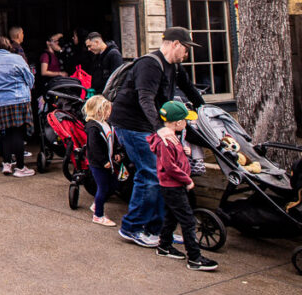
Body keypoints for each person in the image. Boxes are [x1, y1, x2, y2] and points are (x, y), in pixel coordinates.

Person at [109, 27, 205, 248]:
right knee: (150, 172)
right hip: (132, 125)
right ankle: (131, 227)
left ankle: (159, 231)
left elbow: (190, 90)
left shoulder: (175, 68)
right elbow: (145, 98)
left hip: (150, 125)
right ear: (175, 44)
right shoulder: (150, 64)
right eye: (186, 49)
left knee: (163, 175)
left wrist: (206, 111)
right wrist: (159, 128)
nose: (187, 54)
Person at [148, 101, 218, 271]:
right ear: (177, 123)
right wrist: (187, 180)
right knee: (187, 221)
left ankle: (164, 246)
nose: (187, 124)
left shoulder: (173, 138)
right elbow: (170, 166)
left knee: (172, 216)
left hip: (172, 184)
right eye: (185, 121)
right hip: (173, 185)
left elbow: (173, 158)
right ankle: (194, 258)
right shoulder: (166, 142)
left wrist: (184, 152)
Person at [0, 35, 35, 176]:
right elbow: (29, 78)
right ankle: (20, 167)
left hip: (1, 101)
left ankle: (7, 164)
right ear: (8, 46)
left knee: (6, 133)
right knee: (18, 133)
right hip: (18, 99)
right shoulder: (17, 59)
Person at [84, 95, 118, 226]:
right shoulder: (93, 127)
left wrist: (116, 152)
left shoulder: (106, 124)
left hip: (108, 161)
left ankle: (97, 204)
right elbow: (94, 147)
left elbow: (112, 141)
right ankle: (98, 215)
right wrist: (103, 161)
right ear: (99, 111)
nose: (110, 112)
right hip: (99, 164)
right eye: (107, 110)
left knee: (113, 185)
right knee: (103, 187)